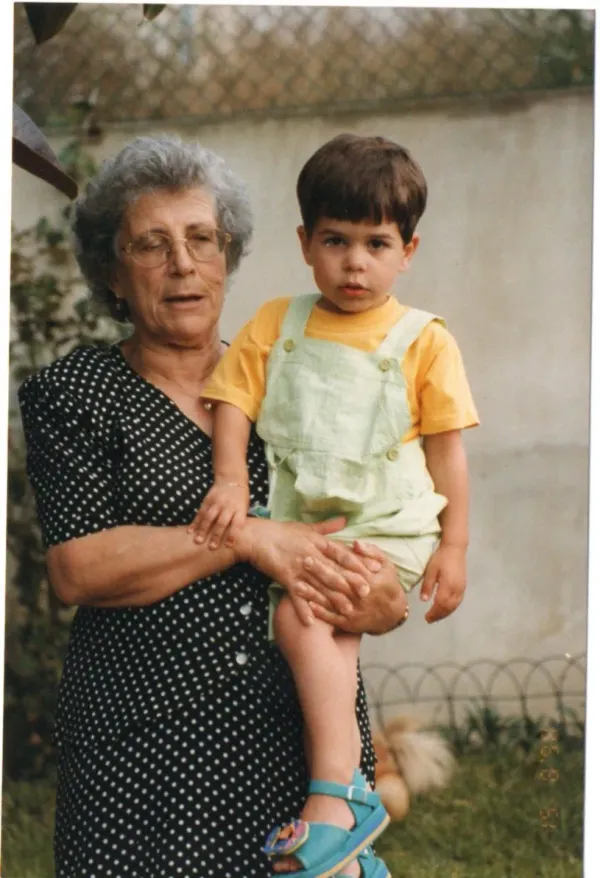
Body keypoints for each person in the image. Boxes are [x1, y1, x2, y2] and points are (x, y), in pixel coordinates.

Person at [18, 134, 415, 878]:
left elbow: (368, 544)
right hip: (139, 751)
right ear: (111, 271)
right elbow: (77, 568)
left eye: (202, 239)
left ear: (227, 257)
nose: (182, 265)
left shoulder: (292, 383)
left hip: (299, 753)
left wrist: (382, 596)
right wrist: (248, 539)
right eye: (151, 245)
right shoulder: (76, 395)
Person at [193, 133, 479, 877]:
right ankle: (348, 845)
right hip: (311, 521)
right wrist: (228, 480)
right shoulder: (275, 325)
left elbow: (448, 451)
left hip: (392, 521)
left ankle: (336, 794)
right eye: (336, 240)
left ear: (407, 251)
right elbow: (231, 399)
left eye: (377, 243)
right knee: (313, 625)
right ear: (305, 243)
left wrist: (454, 548)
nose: (356, 262)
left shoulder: (424, 340)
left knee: (302, 614)